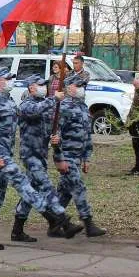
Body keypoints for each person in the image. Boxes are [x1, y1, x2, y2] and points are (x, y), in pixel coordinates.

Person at [0, 67, 83, 250]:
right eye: (7, 78)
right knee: (23, 182)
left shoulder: (9, 101)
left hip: (7, 154)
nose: (10, 80)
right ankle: (54, 218)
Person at [53, 76, 106, 237]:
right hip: (67, 156)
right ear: (69, 88)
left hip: (77, 157)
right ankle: (88, 223)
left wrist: (86, 158)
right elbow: (55, 135)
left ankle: (54, 224)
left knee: (64, 192)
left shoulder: (83, 107)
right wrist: (59, 158)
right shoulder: (64, 108)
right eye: (79, 85)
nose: (83, 88)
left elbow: (87, 135)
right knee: (78, 187)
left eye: (84, 86)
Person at [12, 74, 62, 242]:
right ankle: (59, 218)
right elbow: (34, 111)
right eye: (40, 85)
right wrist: (53, 99)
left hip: (41, 155)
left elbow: (50, 129)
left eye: (45, 85)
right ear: (31, 88)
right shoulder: (26, 104)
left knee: (30, 193)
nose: (44, 87)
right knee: (46, 185)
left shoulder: (45, 106)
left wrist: (55, 137)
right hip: (30, 155)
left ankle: (17, 230)